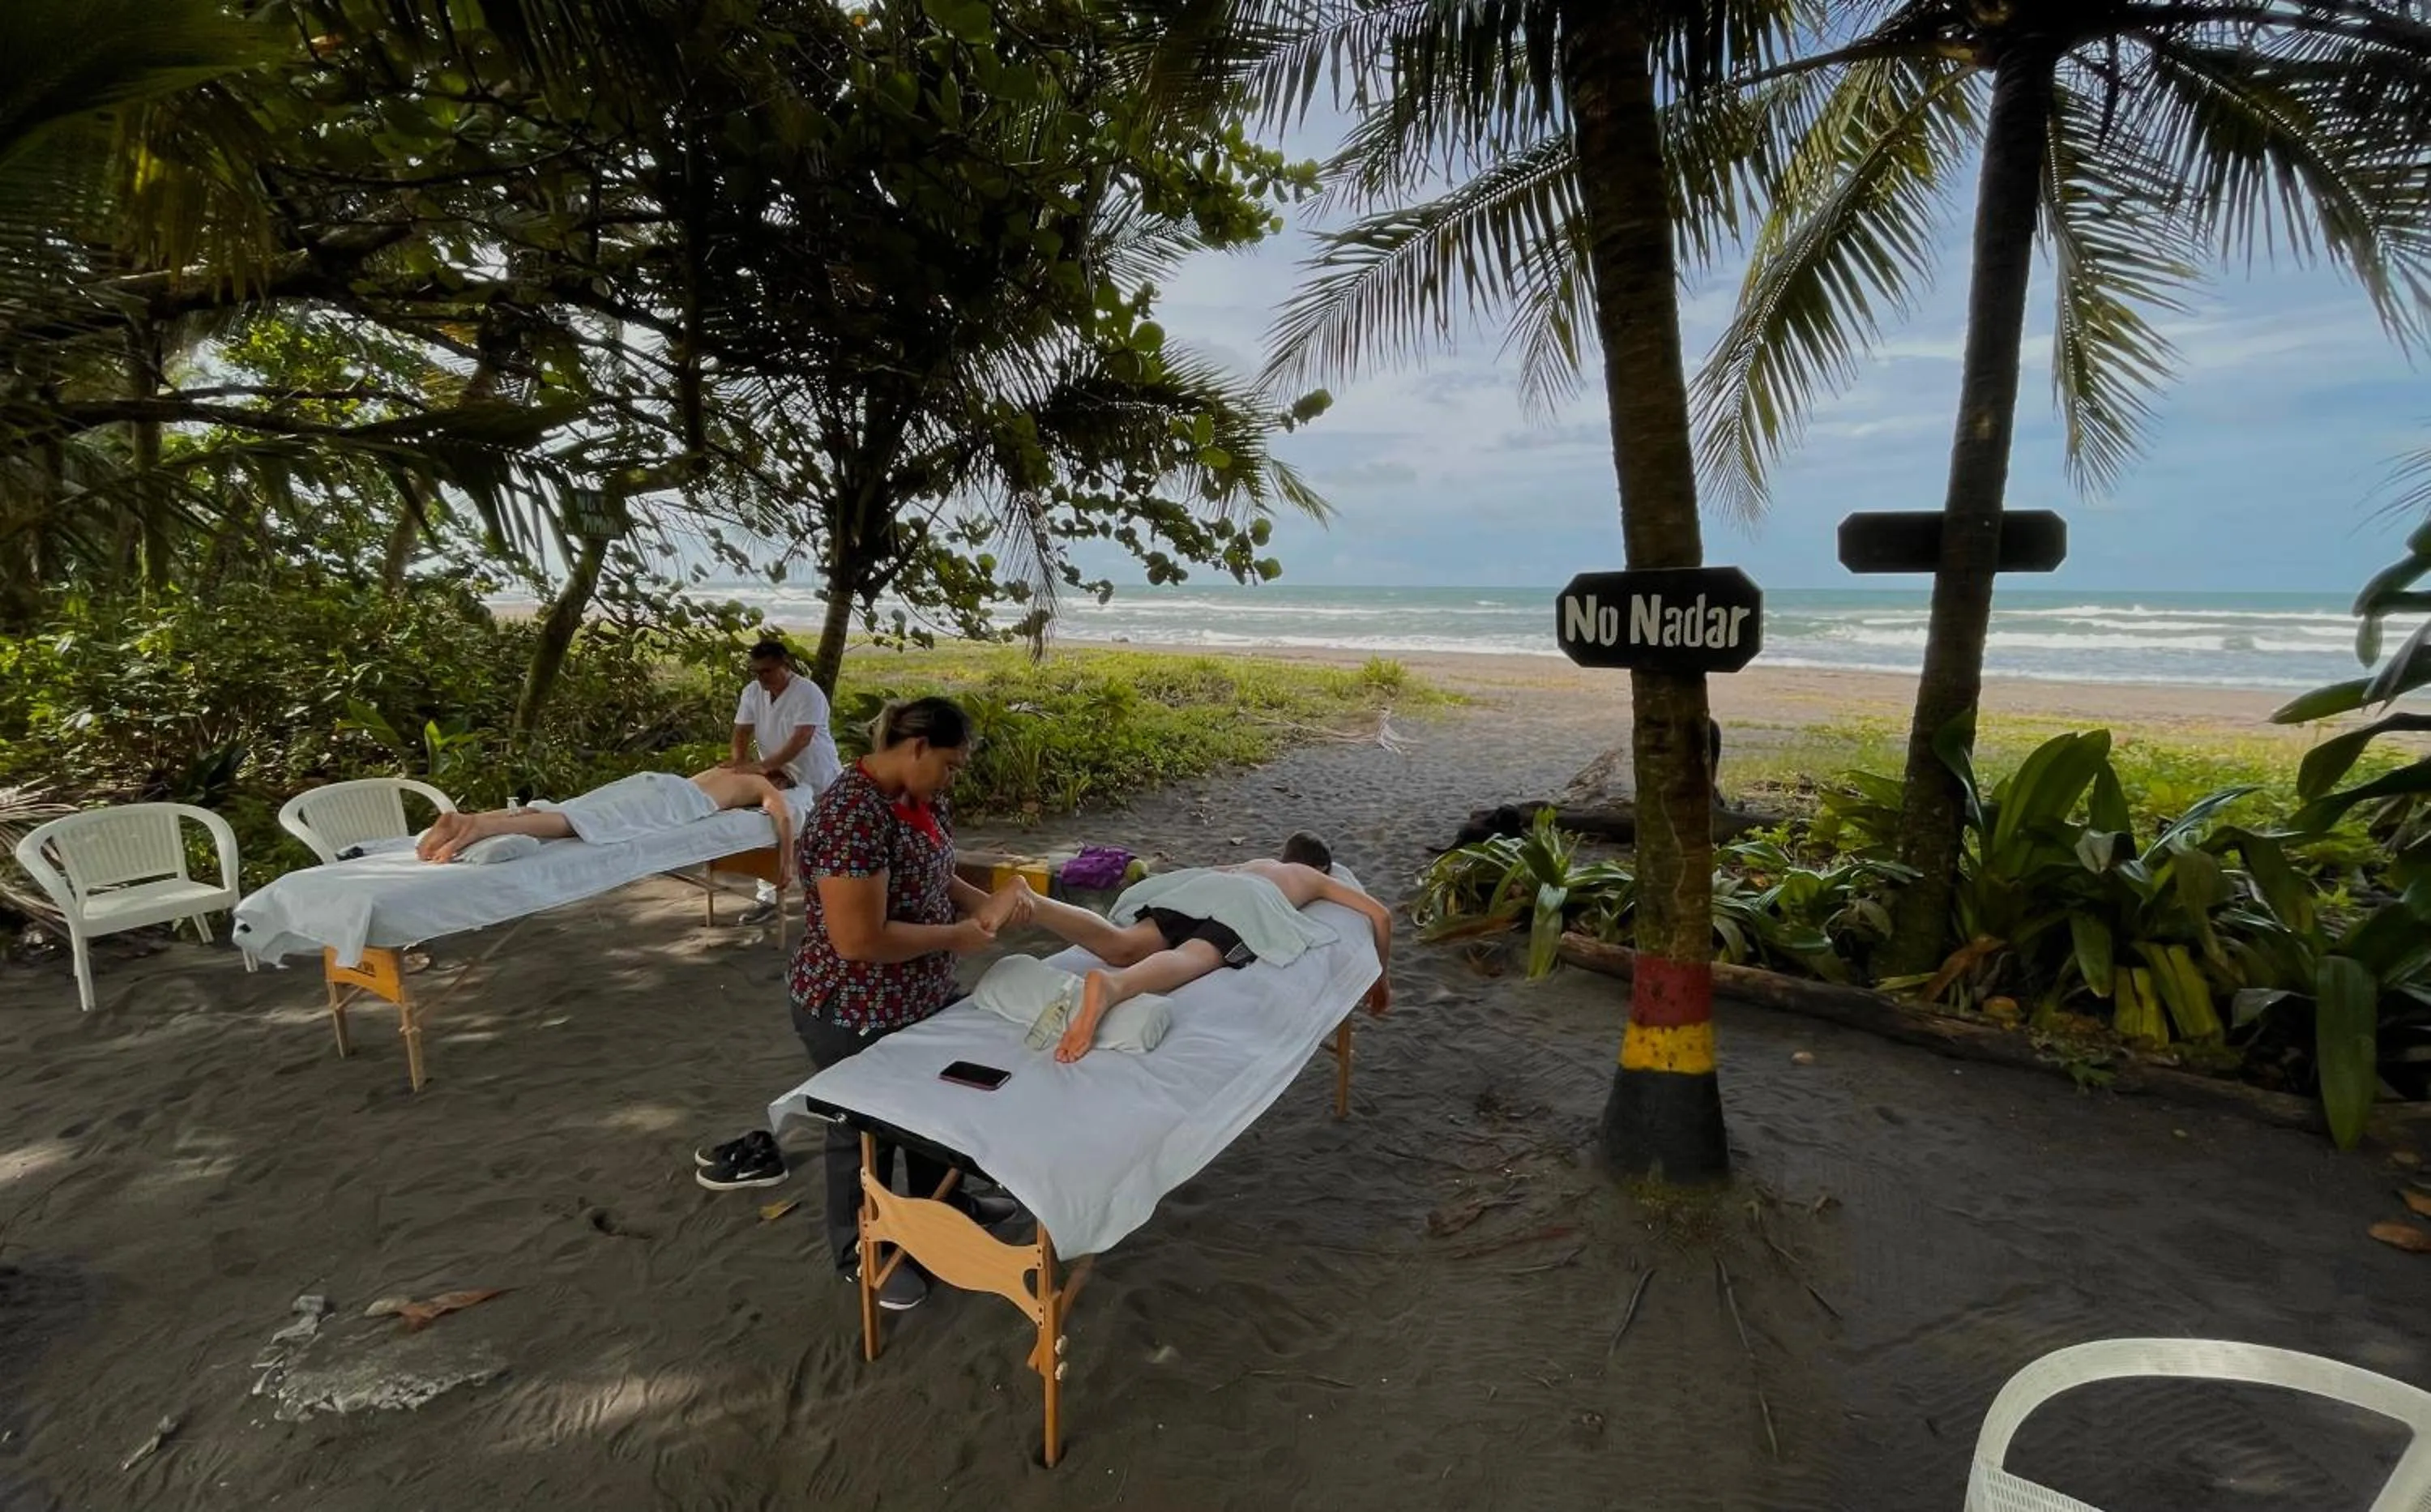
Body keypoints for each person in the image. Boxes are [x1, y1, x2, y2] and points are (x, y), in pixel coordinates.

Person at [694, 696, 1034, 1313]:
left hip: (919, 993)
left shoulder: (919, 798)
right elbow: (859, 940)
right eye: (952, 764)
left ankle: (944, 1211)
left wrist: (978, 903)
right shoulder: (854, 812)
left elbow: (937, 869)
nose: (954, 778)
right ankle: (861, 1249)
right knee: (862, 1129)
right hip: (851, 1004)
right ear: (917, 748)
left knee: (937, 1108)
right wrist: (960, 936)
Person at [1015, 831, 1392, 1063]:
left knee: (1124, 945)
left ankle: (1035, 903)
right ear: (1323, 867)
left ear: (1284, 854)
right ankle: (1116, 987)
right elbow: (1381, 915)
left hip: (1201, 888)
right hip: (1248, 902)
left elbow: (1218, 872)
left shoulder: (1257, 863)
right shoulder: (1313, 877)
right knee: (1191, 956)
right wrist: (1381, 977)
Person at [413, 766, 794, 883]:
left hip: (656, 781)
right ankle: (484, 829)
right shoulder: (761, 783)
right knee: (580, 822)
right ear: (778, 781)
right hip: (676, 801)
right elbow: (784, 818)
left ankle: (475, 818)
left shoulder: (723, 770)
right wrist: (786, 867)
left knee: (571, 807)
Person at [729, 639, 841, 920]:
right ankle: (767, 901)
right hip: (779, 776)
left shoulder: (808, 692)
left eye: (767, 671)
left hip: (817, 776)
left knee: (826, 840)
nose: (761, 677)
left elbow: (801, 739)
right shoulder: (753, 692)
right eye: (756, 672)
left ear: (785, 666)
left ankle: (832, 899)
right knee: (769, 830)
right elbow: (741, 732)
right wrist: (739, 764)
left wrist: (763, 767)